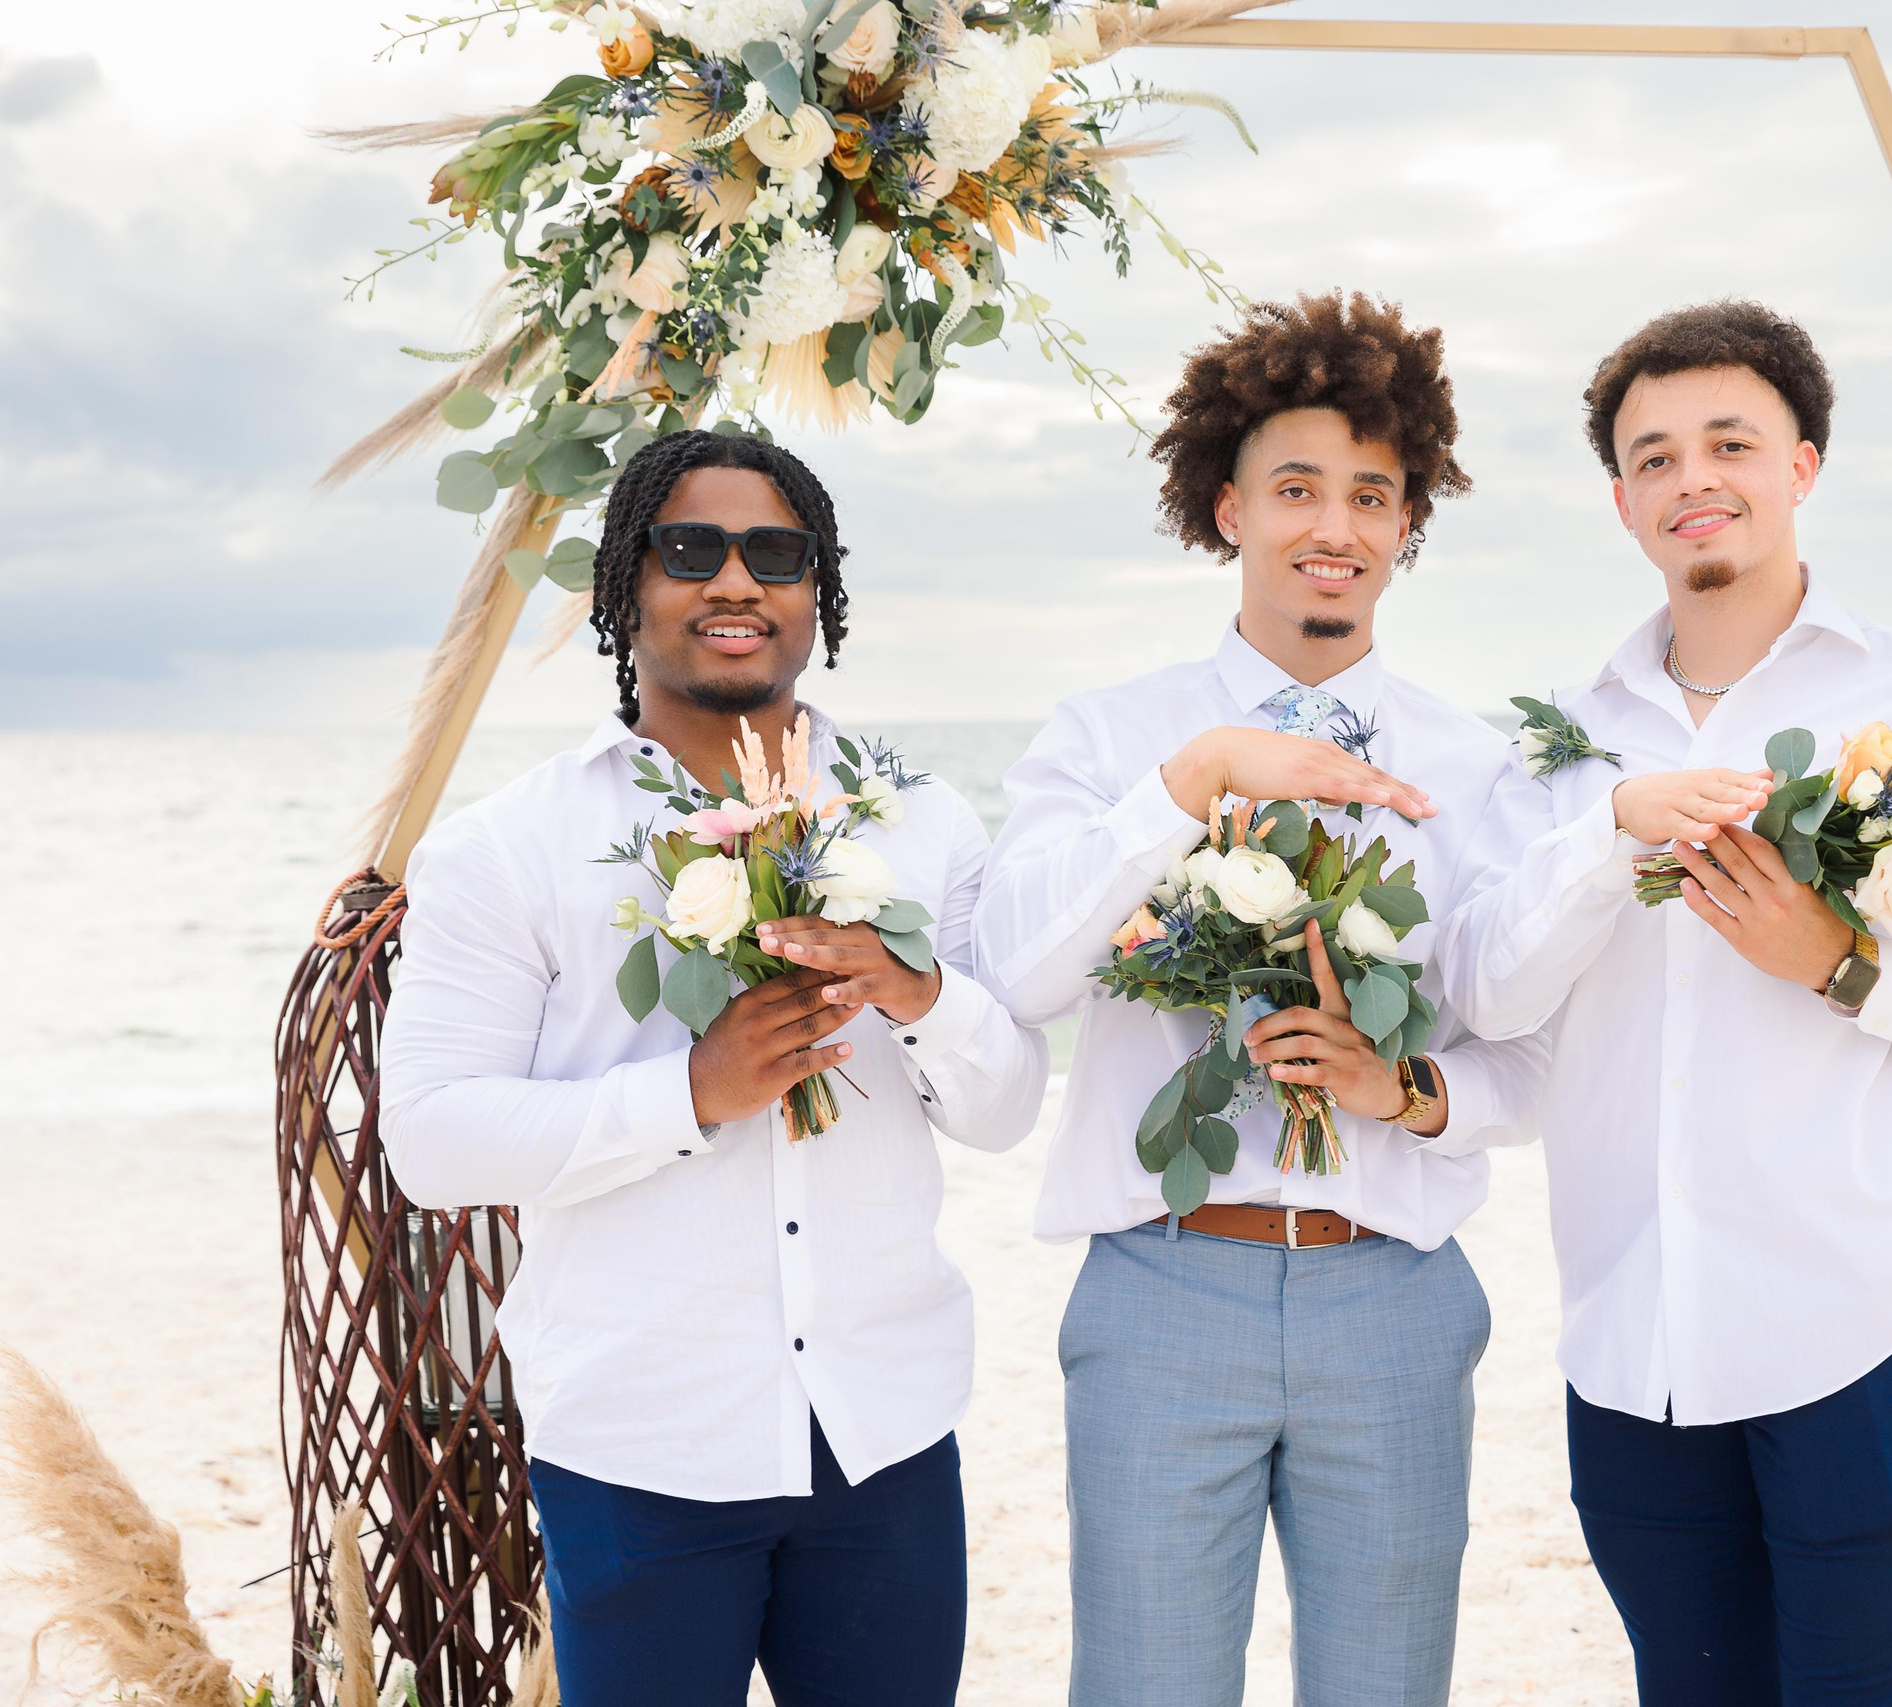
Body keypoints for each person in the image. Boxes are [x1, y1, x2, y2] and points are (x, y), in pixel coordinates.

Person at [1435, 300, 1892, 1704]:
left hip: (1855, 1307)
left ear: (1802, 465)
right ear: (1623, 502)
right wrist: (1612, 831)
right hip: (1630, 1322)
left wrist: (1840, 964)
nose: (1694, 478)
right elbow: (1488, 993)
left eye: (1730, 441)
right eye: (1655, 456)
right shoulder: (1562, 739)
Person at [378, 429, 1048, 1706]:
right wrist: (689, 1095)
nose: (735, 581)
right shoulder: (508, 847)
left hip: (885, 1434)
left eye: (775, 554)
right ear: (627, 586)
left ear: (819, 590)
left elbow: (1007, 1107)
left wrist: (918, 994)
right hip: (640, 1442)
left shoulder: (923, 824)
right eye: (690, 550)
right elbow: (432, 1137)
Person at [970, 292, 1552, 1707]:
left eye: (1373, 493)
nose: (1335, 526)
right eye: (1297, 488)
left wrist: (1402, 1085)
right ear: (1225, 506)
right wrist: (1186, 787)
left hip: (1397, 1295)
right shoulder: (1111, 736)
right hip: (1165, 1283)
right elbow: (1015, 975)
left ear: (1409, 522)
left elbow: (1532, 1061)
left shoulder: (1474, 769)